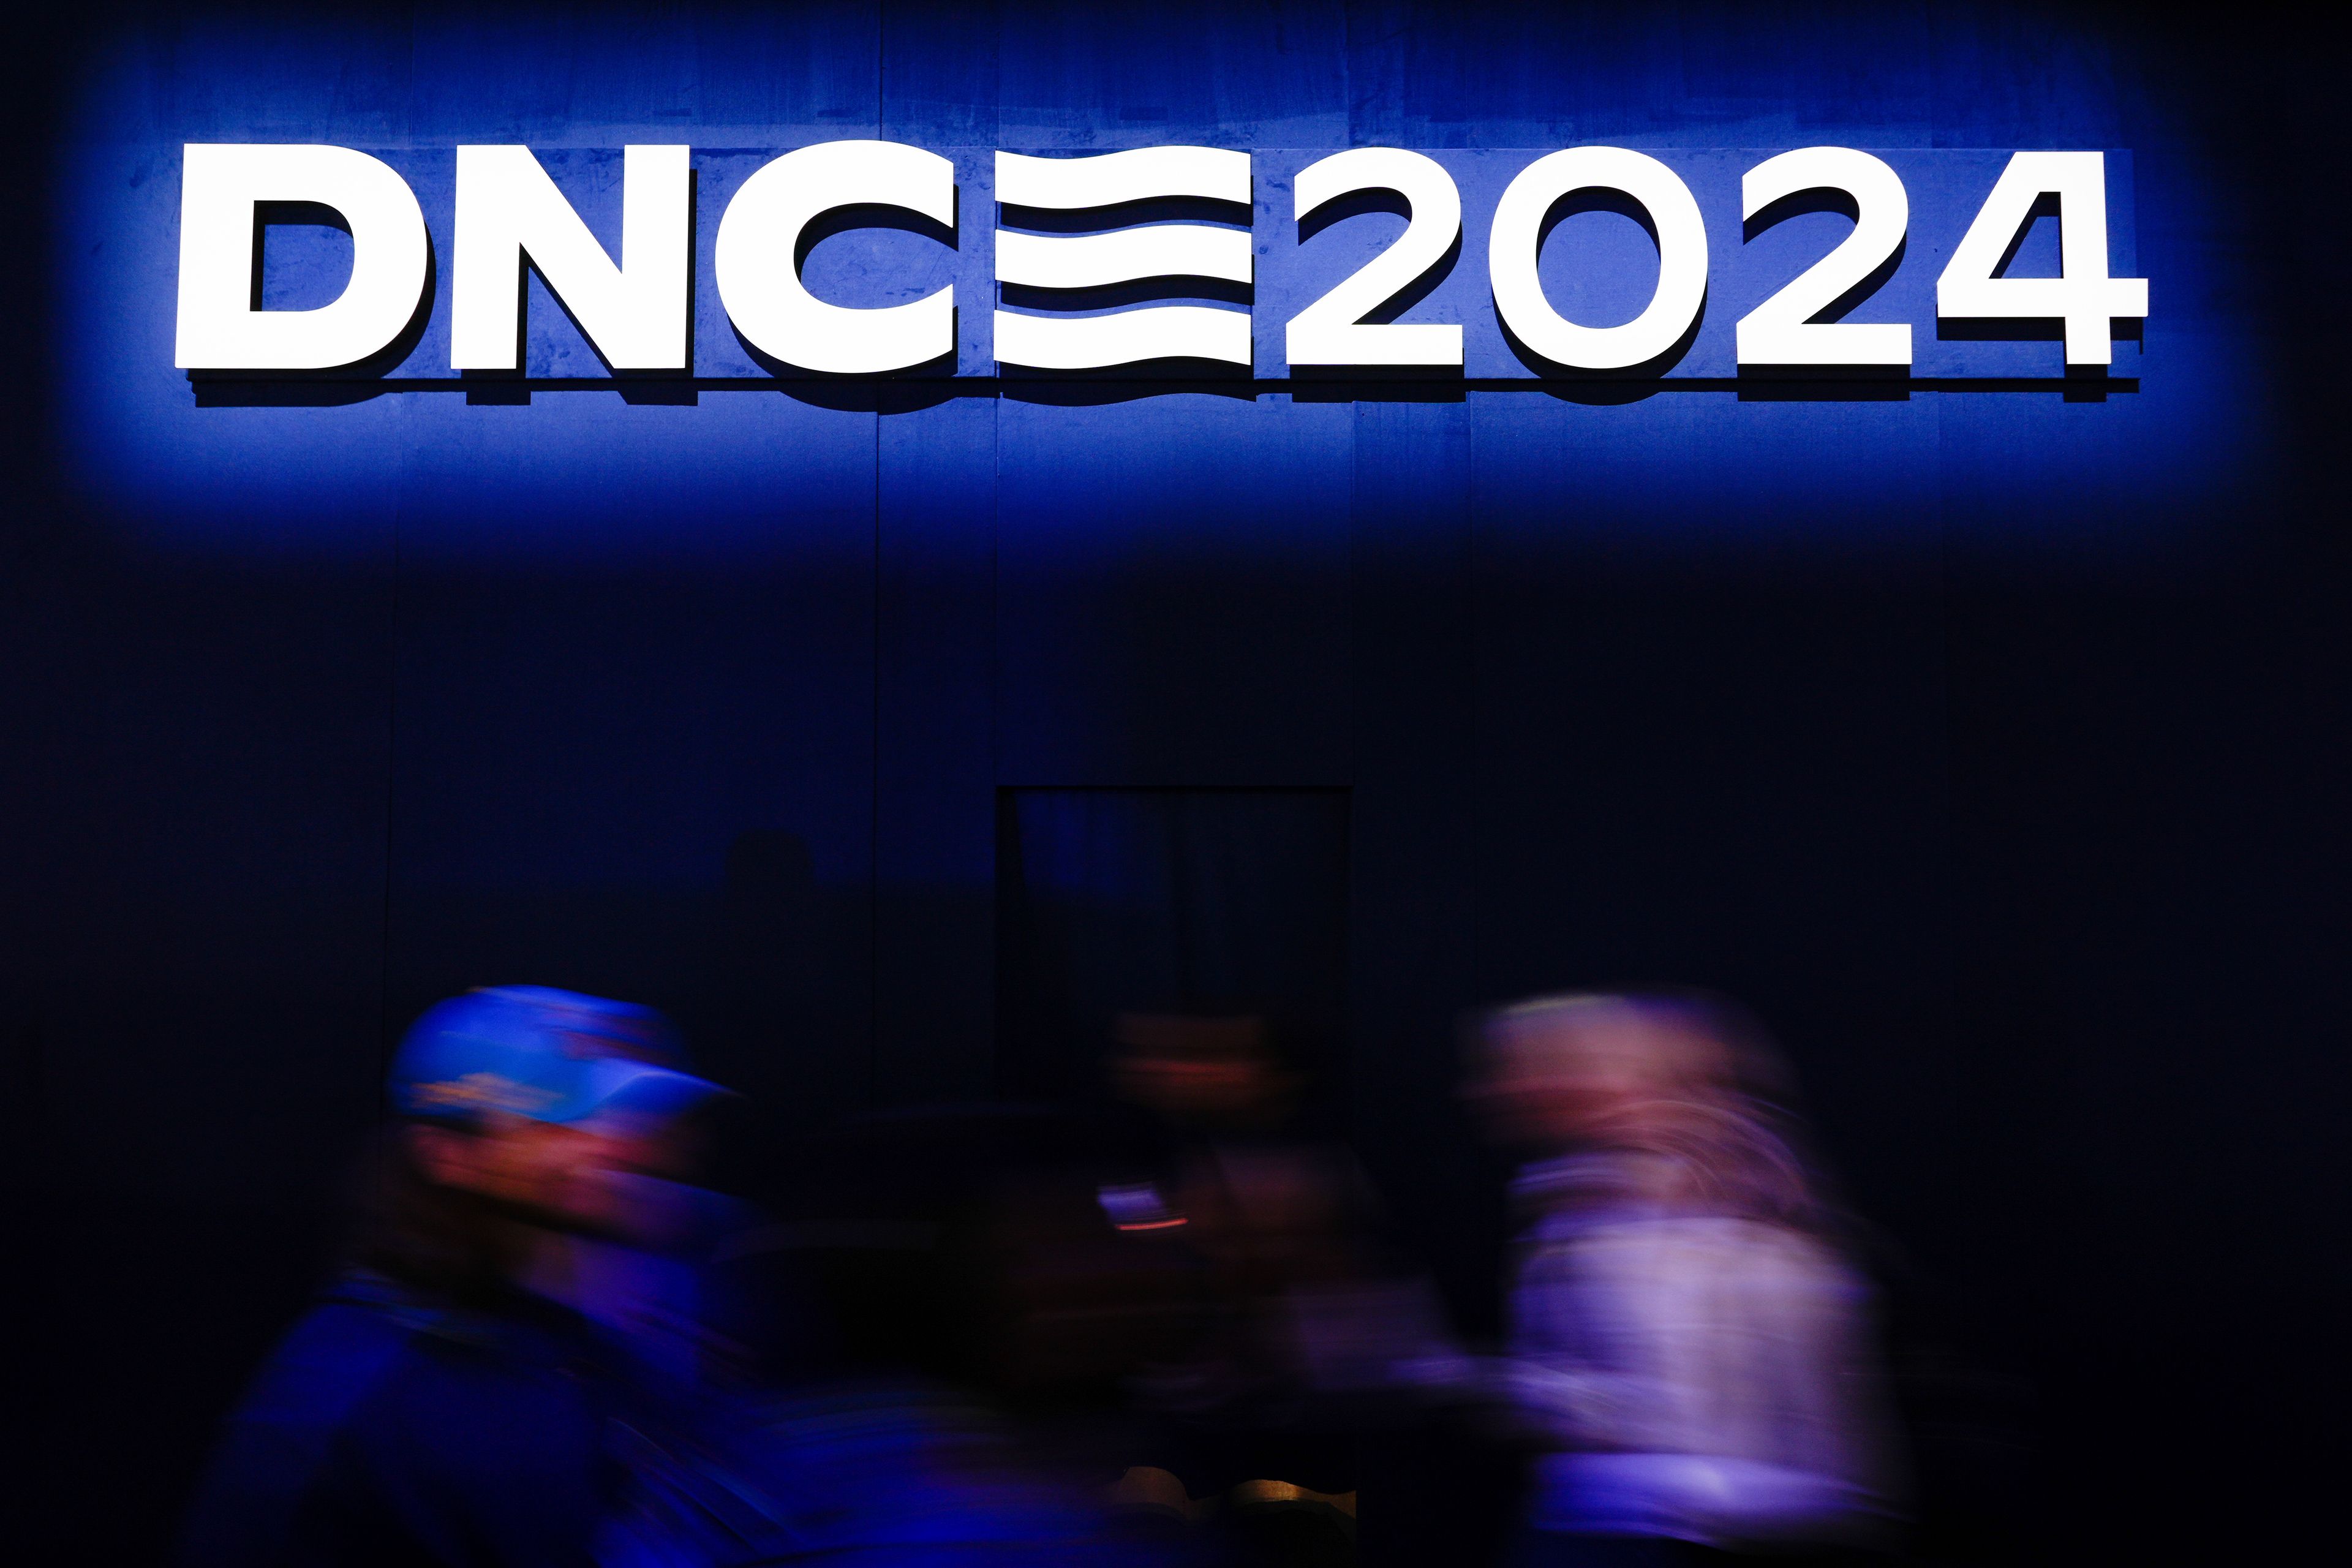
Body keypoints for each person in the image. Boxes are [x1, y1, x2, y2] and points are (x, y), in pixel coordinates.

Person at [177, 986, 733, 1568]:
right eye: (556, 1117)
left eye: (621, 1112)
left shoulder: (611, 1329)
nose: (609, 1142)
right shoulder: (356, 1387)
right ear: (448, 1154)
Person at [1465, 993, 1904, 1567]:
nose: (1491, 1092)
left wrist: (1490, 1383)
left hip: (1689, 1519)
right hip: (1670, 1513)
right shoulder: (1584, 1206)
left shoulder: (1698, 1217)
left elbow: (1681, 1410)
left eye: (1519, 1069)